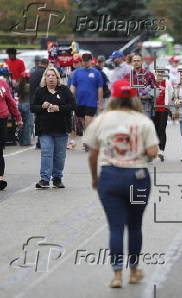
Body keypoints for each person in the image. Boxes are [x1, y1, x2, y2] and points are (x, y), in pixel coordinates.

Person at [83, 79, 159, 288]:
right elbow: (153, 152)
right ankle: (134, 271)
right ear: (133, 98)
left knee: (115, 227)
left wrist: (95, 178)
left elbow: (92, 154)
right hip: (137, 178)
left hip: (110, 177)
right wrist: (138, 153)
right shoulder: (143, 121)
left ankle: (117, 275)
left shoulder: (102, 120)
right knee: (135, 225)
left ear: (114, 97)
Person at [31, 66, 76, 188]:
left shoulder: (64, 90)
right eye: (48, 75)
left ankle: (57, 178)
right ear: (45, 78)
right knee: (46, 152)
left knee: (59, 155)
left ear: (57, 78)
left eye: (53, 76)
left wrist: (59, 108)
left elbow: (73, 105)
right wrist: (42, 106)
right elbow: (32, 107)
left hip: (61, 128)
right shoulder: (40, 91)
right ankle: (44, 179)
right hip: (44, 128)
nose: (51, 78)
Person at [70, 53, 103, 150]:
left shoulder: (96, 73)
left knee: (88, 122)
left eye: (87, 60)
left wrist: (100, 103)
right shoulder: (77, 72)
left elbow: (100, 88)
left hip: (91, 102)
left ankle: (88, 142)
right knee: (83, 122)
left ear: (91, 60)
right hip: (79, 102)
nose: (85, 62)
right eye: (83, 60)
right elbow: (73, 85)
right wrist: (71, 95)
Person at [0, 78, 23, 190]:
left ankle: (0, 178)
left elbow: (10, 101)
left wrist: (18, 117)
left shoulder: (3, 83)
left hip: (1, 118)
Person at [124, 54, 157, 118]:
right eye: (134, 61)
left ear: (142, 62)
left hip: (146, 105)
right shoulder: (127, 76)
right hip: (132, 105)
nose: (136, 62)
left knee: (145, 126)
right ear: (131, 63)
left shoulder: (149, 74)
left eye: (138, 61)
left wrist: (149, 96)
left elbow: (156, 90)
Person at [153, 69, 173, 162]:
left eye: (161, 72)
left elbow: (171, 94)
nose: (160, 74)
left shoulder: (167, 83)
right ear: (155, 73)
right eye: (158, 72)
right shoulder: (151, 82)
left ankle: (161, 150)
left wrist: (169, 107)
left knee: (162, 129)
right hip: (153, 110)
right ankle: (157, 147)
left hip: (163, 109)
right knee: (155, 130)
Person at [30, 58, 49, 149]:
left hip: (32, 99)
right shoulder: (45, 73)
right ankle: (41, 142)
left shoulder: (32, 72)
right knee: (44, 120)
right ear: (46, 64)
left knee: (37, 120)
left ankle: (38, 141)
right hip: (42, 99)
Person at [17, 72, 33, 146]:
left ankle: (20, 140)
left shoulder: (18, 85)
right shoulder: (29, 86)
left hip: (20, 104)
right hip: (27, 104)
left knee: (21, 123)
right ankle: (26, 141)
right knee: (28, 124)